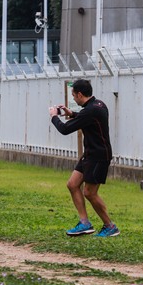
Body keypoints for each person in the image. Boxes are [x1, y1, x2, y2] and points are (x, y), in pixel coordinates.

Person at [49, 79, 120, 237]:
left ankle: (110, 226)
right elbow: (86, 118)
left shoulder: (90, 111)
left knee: (89, 193)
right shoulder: (98, 105)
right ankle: (84, 223)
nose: (73, 98)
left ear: (80, 94)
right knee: (73, 184)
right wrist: (71, 113)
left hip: (98, 156)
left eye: (74, 95)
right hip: (89, 154)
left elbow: (65, 129)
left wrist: (54, 117)